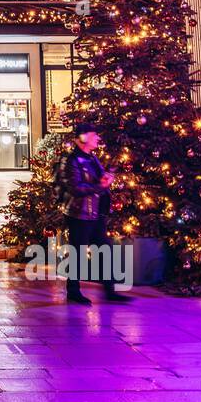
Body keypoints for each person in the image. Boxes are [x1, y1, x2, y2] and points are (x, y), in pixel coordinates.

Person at [61, 121, 130, 305]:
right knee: (78, 253)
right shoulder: (72, 160)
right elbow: (75, 188)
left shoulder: (92, 158)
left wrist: (105, 178)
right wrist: (100, 186)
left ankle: (110, 291)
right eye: (94, 135)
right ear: (82, 139)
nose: (98, 138)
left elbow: (96, 180)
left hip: (95, 214)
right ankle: (73, 291)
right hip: (79, 214)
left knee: (105, 250)